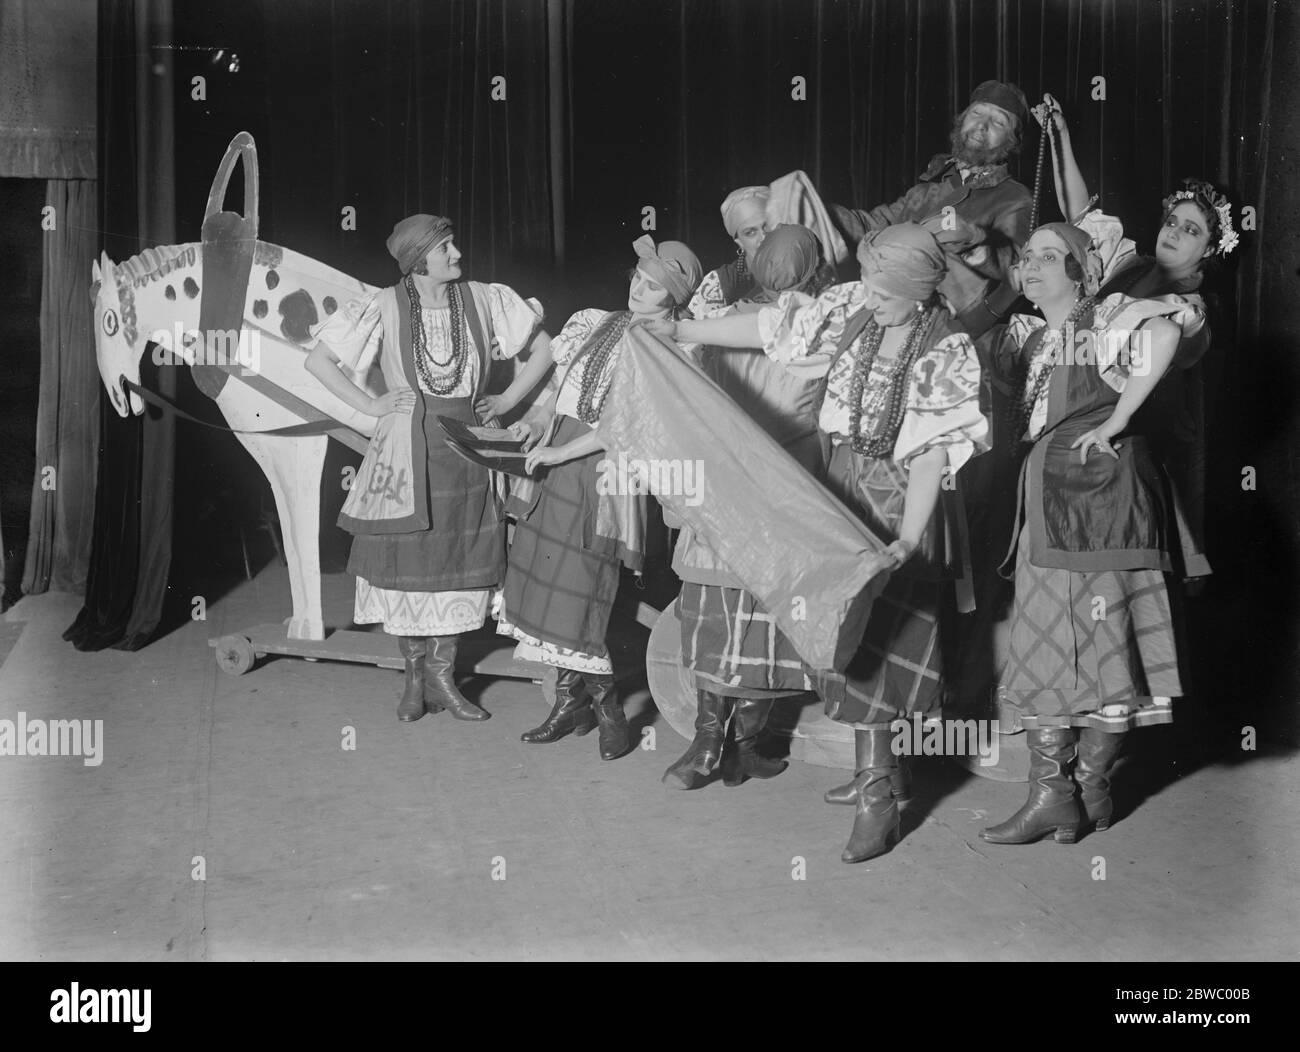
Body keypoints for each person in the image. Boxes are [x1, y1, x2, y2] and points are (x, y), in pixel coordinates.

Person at [662, 223, 989, 862]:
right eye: (866, 280)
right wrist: (683, 331)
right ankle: (888, 775)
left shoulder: (946, 351)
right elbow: (770, 331)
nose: (869, 295)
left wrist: (908, 541)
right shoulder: (850, 309)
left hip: (898, 499)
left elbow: (929, 458)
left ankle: (878, 800)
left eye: (885, 289)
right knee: (845, 639)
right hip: (838, 486)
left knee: (884, 643)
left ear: (920, 292)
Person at [979, 222, 1196, 845]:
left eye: (1052, 256)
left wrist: (1122, 414)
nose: (1034, 265)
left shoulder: (1105, 319)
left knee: (1111, 640)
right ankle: (1069, 796)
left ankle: (1081, 790)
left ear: (1082, 271)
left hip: (1107, 496)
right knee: (1050, 639)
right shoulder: (1027, 335)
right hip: (1051, 499)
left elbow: (1165, 328)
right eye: (1028, 257)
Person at [305, 214, 551, 724]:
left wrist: (506, 397)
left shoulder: (485, 298)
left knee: (460, 564)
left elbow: (545, 348)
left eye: (453, 243)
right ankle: (416, 678)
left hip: (469, 454)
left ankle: (444, 677)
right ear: (419, 262)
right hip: (406, 454)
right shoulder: (382, 306)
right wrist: (370, 405)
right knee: (407, 566)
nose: (457, 252)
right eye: (445, 248)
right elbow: (319, 361)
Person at [497, 235, 703, 761]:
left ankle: (609, 708)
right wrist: (541, 416)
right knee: (546, 583)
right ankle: (570, 704)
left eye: (653, 286)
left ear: (673, 298)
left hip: (606, 469)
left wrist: (562, 454)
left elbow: (627, 426)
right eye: (638, 277)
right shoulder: (592, 320)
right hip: (558, 453)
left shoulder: (674, 346)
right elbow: (558, 384)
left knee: (582, 587)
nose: (639, 289)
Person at [1033, 92, 1235, 581]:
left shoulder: (1190, 309)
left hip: (1132, 444)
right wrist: (1059, 136)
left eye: (1191, 230)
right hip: (1069, 412)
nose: (1173, 232)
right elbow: (1081, 217)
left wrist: (1115, 423)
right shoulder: (1128, 263)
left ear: (1209, 252)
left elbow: (1162, 339)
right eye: (1172, 221)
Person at [663, 224, 829, 790]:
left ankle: (715, 745)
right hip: (785, 482)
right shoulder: (822, 318)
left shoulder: (719, 322)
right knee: (767, 619)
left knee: (715, 612)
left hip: (730, 479)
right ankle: (735, 745)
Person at [831, 80, 1034, 343]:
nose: (982, 125)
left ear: (1013, 140)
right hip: (895, 319)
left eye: (999, 122)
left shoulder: (1015, 197)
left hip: (956, 333)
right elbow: (870, 224)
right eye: (977, 113)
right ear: (962, 120)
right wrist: (816, 208)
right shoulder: (926, 191)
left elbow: (1020, 269)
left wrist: (975, 240)